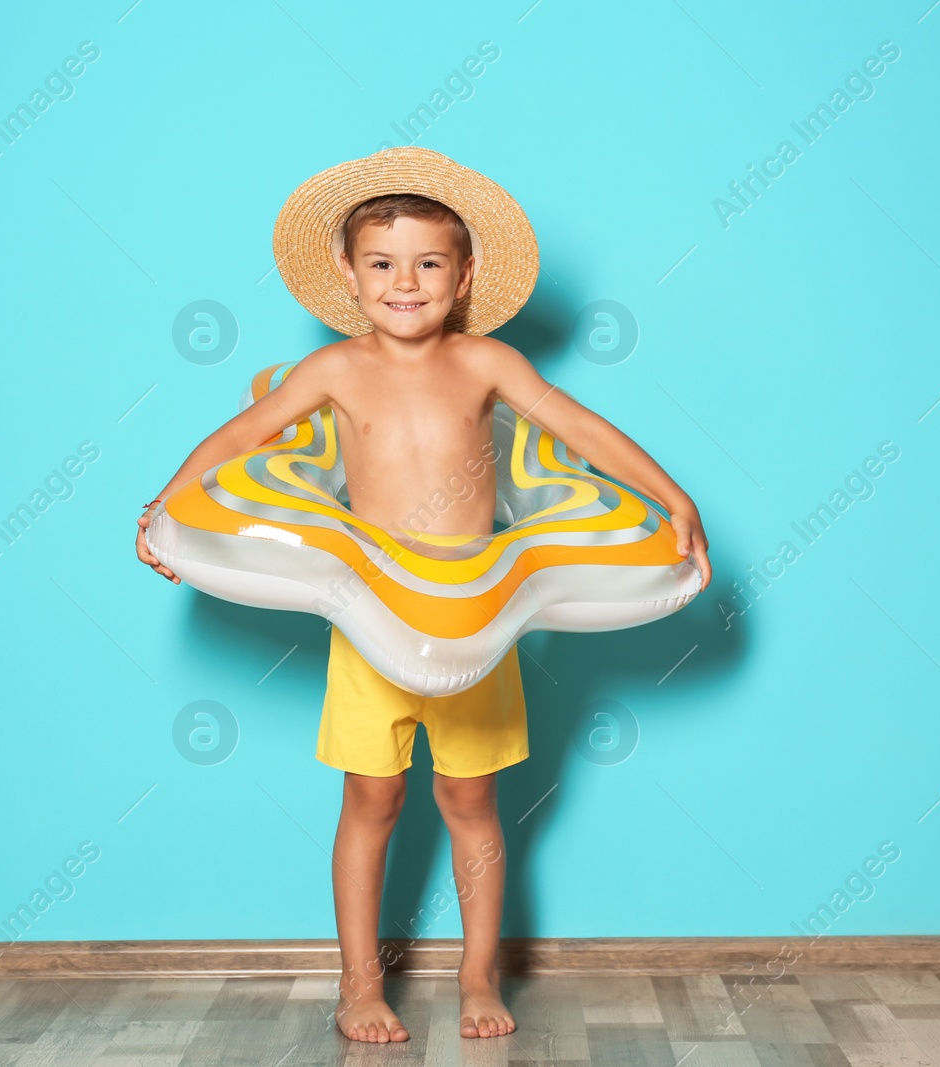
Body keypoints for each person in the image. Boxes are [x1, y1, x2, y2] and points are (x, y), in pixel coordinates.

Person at [135, 147, 712, 1043]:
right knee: (372, 799)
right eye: (382, 263)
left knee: (470, 802)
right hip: (368, 623)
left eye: (429, 262)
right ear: (348, 273)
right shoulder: (332, 371)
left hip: (476, 620)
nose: (405, 282)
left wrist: (675, 499)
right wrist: (165, 508)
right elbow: (241, 434)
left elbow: (577, 427)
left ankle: (479, 973)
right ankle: (358, 983)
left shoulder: (486, 363)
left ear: (465, 272)